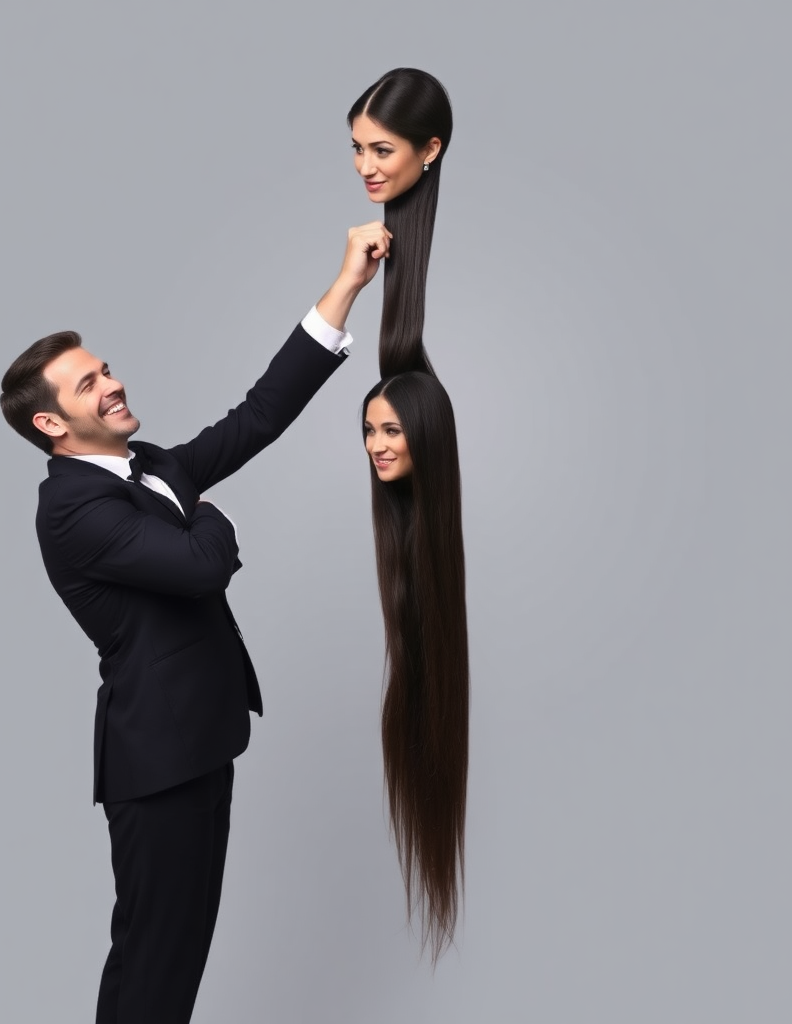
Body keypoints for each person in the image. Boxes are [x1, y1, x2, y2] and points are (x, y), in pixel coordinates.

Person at [0, 222, 391, 1024]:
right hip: (157, 765)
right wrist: (221, 520)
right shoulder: (71, 508)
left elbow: (259, 414)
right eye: (88, 385)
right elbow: (200, 566)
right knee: (154, 957)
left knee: (180, 954)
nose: (111, 383)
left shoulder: (151, 470)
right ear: (51, 425)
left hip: (199, 744)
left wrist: (346, 284)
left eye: (104, 368)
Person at [348, 69, 469, 962]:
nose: (363, 165)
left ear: (431, 151)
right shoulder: (390, 266)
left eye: (381, 150)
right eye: (355, 148)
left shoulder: (419, 365)